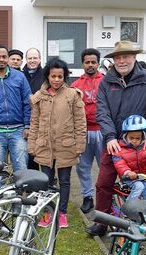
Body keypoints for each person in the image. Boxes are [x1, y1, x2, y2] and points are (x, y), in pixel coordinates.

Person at [87, 40, 146, 236]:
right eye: (117, 57)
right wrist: (109, 137)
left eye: (125, 56)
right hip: (114, 143)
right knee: (103, 184)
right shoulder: (107, 82)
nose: (121, 61)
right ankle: (103, 222)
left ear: (134, 57)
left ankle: (141, 219)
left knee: (142, 183)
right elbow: (102, 112)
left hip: (139, 144)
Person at [28, 57, 86, 228]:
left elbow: (80, 122)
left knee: (65, 181)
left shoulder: (72, 95)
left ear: (64, 77)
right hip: (44, 146)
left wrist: (80, 145)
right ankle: (47, 212)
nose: (56, 80)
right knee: (46, 181)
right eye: (53, 76)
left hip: (66, 146)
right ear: (48, 76)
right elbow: (34, 123)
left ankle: (62, 213)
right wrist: (32, 145)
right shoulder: (39, 96)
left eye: (60, 77)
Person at [71, 48, 104, 213]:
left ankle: (106, 197)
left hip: (102, 131)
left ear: (98, 63)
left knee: (105, 166)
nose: (90, 65)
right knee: (83, 167)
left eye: (93, 62)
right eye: (87, 62)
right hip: (83, 132)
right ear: (82, 63)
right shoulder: (75, 85)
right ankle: (87, 197)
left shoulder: (106, 82)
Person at [22, 47, 45, 170]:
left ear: (40, 59)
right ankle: (33, 183)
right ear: (26, 59)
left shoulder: (46, 74)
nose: (32, 60)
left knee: (45, 152)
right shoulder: (20, 75)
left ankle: (48, 181)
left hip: (43, 118)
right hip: (26, 119)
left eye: (35, 58)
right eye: (30, 58)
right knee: (30, 154)